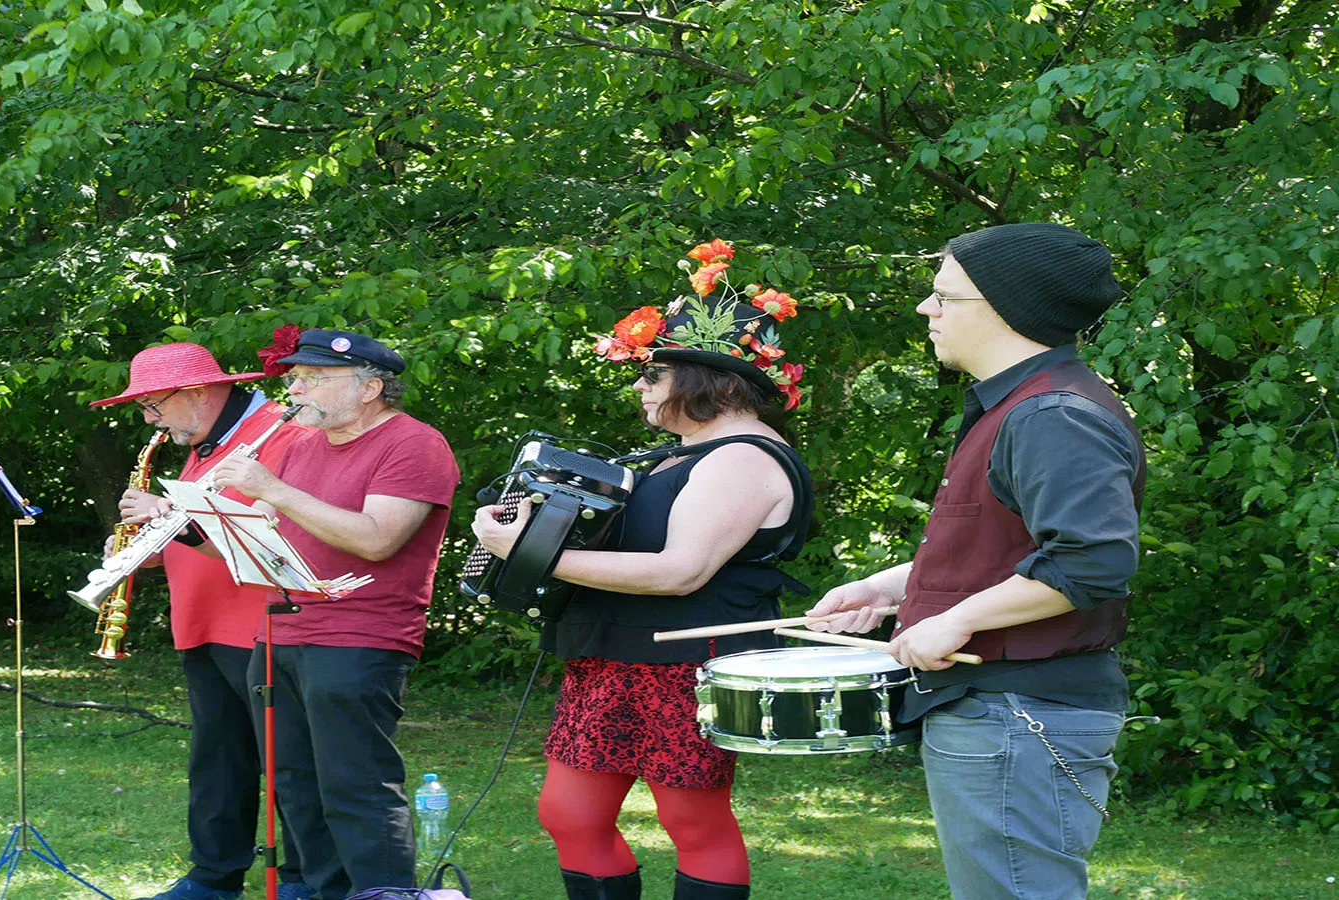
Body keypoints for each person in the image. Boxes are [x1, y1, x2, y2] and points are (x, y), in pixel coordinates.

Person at [807, 222, 1146, 900]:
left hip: (1020, 712)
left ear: (1004, 307)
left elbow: (1094, 561)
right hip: (1003, 712)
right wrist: (886, 590)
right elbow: (1008, 555)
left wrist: (954, 622)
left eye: (943, 297)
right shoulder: (1021, 405)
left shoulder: (1052, 414)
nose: (925, 310)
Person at [473, 239, 813, 900]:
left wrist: (533, 554)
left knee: (692, 819)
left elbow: (680, 571)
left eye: (650, 373)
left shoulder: (743, 457)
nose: (638, 385)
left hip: (687, 663)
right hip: (614, 654)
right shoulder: (680, 453)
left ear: (701, 379)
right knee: (569, 814)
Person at [211, 329, 461, 900]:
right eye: (296, 377)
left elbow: (377, 540)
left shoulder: (414, 444)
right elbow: (260, 538)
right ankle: (328, 891)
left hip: (359, 634)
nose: (295, 388)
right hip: (279, 632)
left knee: (356, 783)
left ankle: (383, 892)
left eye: (313, 378)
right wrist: (176, 525)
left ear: (371, 387)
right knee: (295, 785)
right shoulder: (300, 443)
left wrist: (271, 488)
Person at [89, 340, 314, 900]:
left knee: (291, 767)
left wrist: (172, 518)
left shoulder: (278, 432)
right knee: (217, 763)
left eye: (153, 406)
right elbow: (193, 530)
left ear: (195, 394)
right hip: (204, 624)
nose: (149, 420)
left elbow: (275, 529)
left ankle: (308, 880)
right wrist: (140, 547)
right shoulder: (202, 444)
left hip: (265, 623)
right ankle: (213, 877)